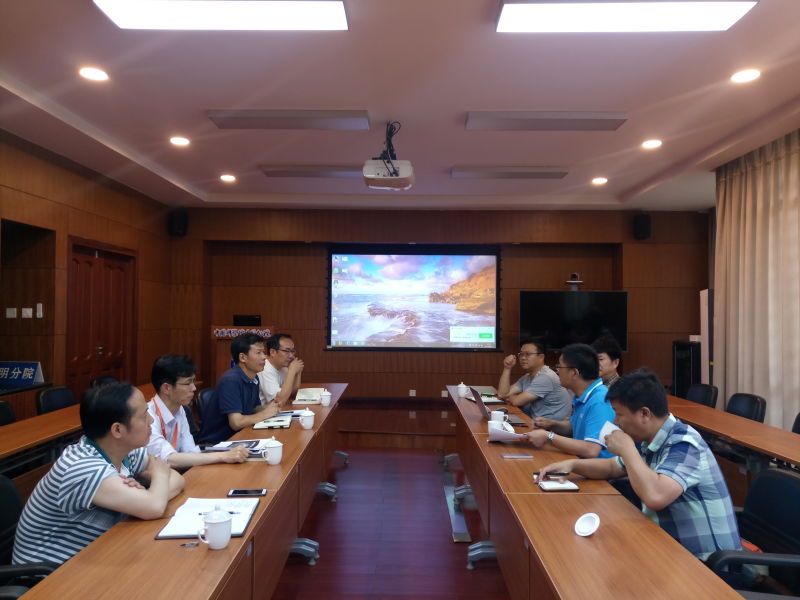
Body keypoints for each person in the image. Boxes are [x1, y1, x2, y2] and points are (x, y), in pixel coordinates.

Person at [537, 369, 741, 560]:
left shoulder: (685, 443)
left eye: (619, 414)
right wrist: (572, 465)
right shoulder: (652, 438)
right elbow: (612, 467)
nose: (615, 422)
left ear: (645, 413)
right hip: (668, 549)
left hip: (706, 565)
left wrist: (628, 449)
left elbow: (656, 496)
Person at [12, 382, 184, 566]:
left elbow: (177, 479)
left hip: (95, 555)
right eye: (144, 415)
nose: (151, 420)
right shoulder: (83, 467)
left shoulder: (123, 449)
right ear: (117, 429)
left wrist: (151, 494)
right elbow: (155, 506)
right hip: (48, 574)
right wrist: (158, 479)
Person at [147, 354, 250, 467]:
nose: (194, 388)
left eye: (193, 381)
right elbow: (168, 459)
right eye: (188, 383)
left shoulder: (180, 409)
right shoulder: (147, 417)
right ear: (166, 388)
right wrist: (223, 456)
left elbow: (191, 451)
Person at [523, 343, 615, 458]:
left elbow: (591, 449)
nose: (557, 371)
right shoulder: (582, 396)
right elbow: (574, 428)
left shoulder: (600, 400)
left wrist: (549, 436)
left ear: (574, 373)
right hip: (578, 461)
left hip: (595, 468)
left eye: (560, 366)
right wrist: (552, 424)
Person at [199, 333, 277, 445]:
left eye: (263, 352)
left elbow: (254, 408)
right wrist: (265, 414)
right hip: (218, 443)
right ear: (242, 357)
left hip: (241, 436)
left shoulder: (254, 377)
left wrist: (270, 408)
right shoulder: (231, 380)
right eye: (258, 352)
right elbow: (236, 423)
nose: (264, 357)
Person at [496, 338, 570, 420]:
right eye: (521, 354)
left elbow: (517, 401)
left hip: (550, 426)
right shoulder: (527, 377)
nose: (523, 358)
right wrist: (507, 368)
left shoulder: (546, 377)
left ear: (541, 357)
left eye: (528, 354)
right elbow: (502, 394)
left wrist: (510, 397)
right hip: (535, 422)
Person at [258, 333, 304, 407]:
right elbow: (279, 401)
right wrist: (292, 371)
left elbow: (293, 393)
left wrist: (298, 372)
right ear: (272, 352)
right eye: (287, 351)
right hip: (265, 411)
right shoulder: (264, 369)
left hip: (279, 410)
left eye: (292, 351)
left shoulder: (283, 366)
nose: (291, 356)